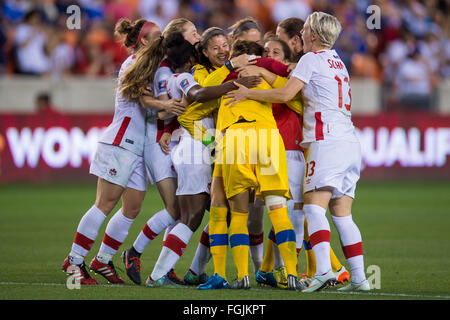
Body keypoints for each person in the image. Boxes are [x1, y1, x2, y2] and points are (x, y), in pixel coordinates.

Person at [225, 12, 370, 292]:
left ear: (313, 35)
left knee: (313, 209)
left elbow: (284, 95)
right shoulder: (338, 61)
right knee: (342, 215)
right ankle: (360, 279)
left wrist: (248, 93)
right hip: (350, 142)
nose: (300, 35)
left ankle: (324, 272)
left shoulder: (311, 59)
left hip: (325, 140)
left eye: (304, 30)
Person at [61, 18, 182, 285]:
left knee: (132, 207)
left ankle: (102, 260)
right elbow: (144, 101)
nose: (161, 39)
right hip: (121, 141)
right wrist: (169, 106)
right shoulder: (134, 64)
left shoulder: (154, 67)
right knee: (104, 204)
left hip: (138, 148)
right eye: (156, 35)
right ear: (143, 41)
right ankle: (74, 260)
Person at [144, 32, 261, 288]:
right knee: (192, 216)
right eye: (215, 47)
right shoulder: (197, 74)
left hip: (206, 152)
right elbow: (194, 106)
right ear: (202, 53)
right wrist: (212, 145)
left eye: (225, 46)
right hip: (196, 150)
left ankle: (195, 270)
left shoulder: (215, 75)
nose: (222, 50)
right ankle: (157, 275)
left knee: (222, 214)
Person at [199, 40, 300, 290]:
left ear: (235, 56)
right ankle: (292, 274)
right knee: (278, 211)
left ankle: (243, 276)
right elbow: (295, 99)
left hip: (235, 140)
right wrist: (269, 74)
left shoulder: (223, 82)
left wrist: (213, 145)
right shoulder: (268, 73)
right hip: (268, 139)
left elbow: (192, 109)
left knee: (240, 214)